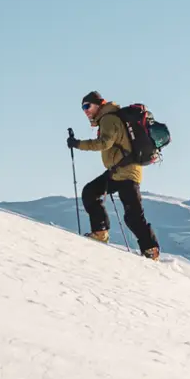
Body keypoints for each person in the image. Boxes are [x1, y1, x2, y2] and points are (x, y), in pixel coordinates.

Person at [70, 91, 160, 259]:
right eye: (83, 108)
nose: (86, 111)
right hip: (118, 172)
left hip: (126, 173)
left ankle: (151, 249)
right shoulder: (108, 118)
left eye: (87, 106)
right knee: (91, 192)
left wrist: (78, 144)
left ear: (98, 104)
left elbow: (104, 143)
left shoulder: (108, 119)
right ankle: (100, 232)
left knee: (133, 216)